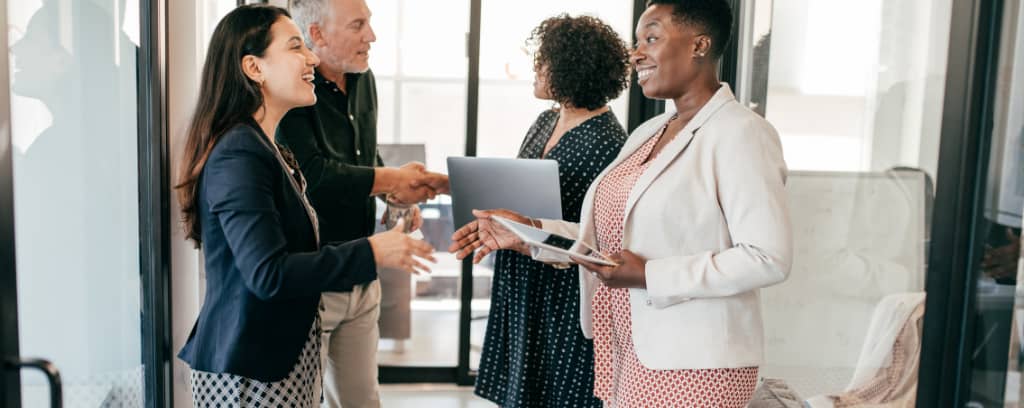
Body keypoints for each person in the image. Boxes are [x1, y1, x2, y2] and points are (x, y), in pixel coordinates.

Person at [451, 1, 792, 406]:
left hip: (696, 361)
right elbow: (608, 240)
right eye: (636, 41)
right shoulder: (648, 132)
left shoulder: (740, 133)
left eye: (652, 38)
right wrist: (529, 232)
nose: (636, 53)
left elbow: (767, 257)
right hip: (628, 348)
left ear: (700, 44)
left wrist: (650, 274)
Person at [174, 5, 434, 406]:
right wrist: (372, 249)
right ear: (254, 68)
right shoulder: (240, 153)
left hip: (273, 364)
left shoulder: (266, 146)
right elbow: (269, 274)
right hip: (249, 373)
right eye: (296, 46)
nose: (312, 56)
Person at [279, 1, 449, 406]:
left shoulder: (363, 77)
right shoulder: (291, 89)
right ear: (316, 34)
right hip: (313, 279)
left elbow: (363, 157)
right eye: (358, 25)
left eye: (369, 23)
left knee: (362, 400)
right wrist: (393, 178)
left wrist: (396, 194)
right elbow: (313, 177)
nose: (371, 35)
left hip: (361, 272)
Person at [463, 15, 630, 408]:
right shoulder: (545, 119)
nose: (536, 68)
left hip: (563, 289)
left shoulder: (608, 142)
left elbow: (601, 235)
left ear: (572, 66)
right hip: (522, 273)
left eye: (544, 60)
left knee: (559, 392)